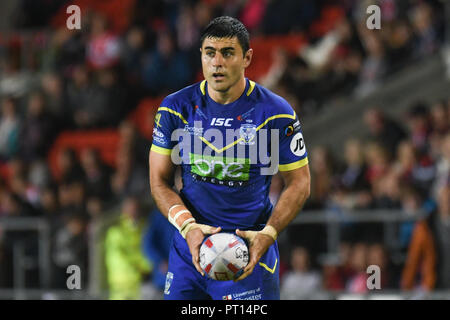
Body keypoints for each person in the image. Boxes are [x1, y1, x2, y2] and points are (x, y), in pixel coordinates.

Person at [149, 16, 310, 300]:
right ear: (201, 56)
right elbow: (159, 181)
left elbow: (299, 183)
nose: (217, 62)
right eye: (210, 53)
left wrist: (269, 233)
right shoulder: (175, 109)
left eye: (228, 53)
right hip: (190, 254)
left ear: (247, 57)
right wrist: (188, 227)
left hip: (248, 255)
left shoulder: (275, 113)